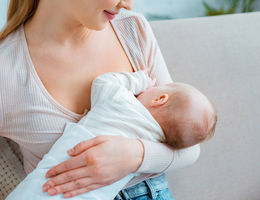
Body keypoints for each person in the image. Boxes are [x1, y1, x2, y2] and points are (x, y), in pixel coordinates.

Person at [0, 0, 201, 199]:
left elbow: (189, 148)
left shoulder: (132, 29)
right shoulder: (7, 70)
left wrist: (133, 155)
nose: (128, 5)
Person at [6, 70, 217, 200]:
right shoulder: (157, 140)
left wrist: (141, 79)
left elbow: (103, 82)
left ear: (159, 98)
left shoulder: (122, 102)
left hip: (47, 186)